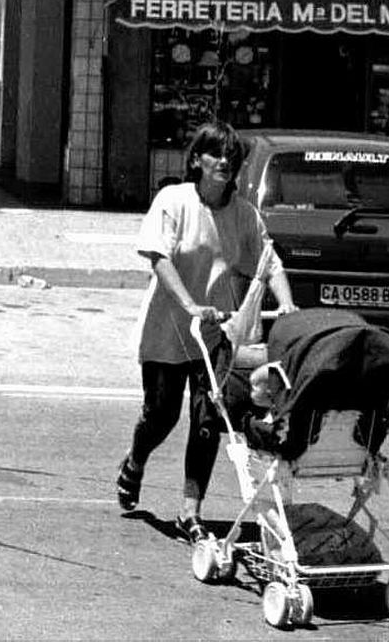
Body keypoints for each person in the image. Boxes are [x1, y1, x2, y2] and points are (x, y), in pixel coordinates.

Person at [117, 120, 297, 542]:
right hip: (168, 328)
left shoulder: (243, 215)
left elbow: (268, 263)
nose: (224, 162)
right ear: (197, 159)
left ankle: (190, 510)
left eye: (231, 157)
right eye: (216, 154)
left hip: (214, 333)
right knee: (161, 415)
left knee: (206, 420)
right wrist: (189, 305)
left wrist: (286, 302)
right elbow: (159, 258)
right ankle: (136, 459)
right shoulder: (173, 200)